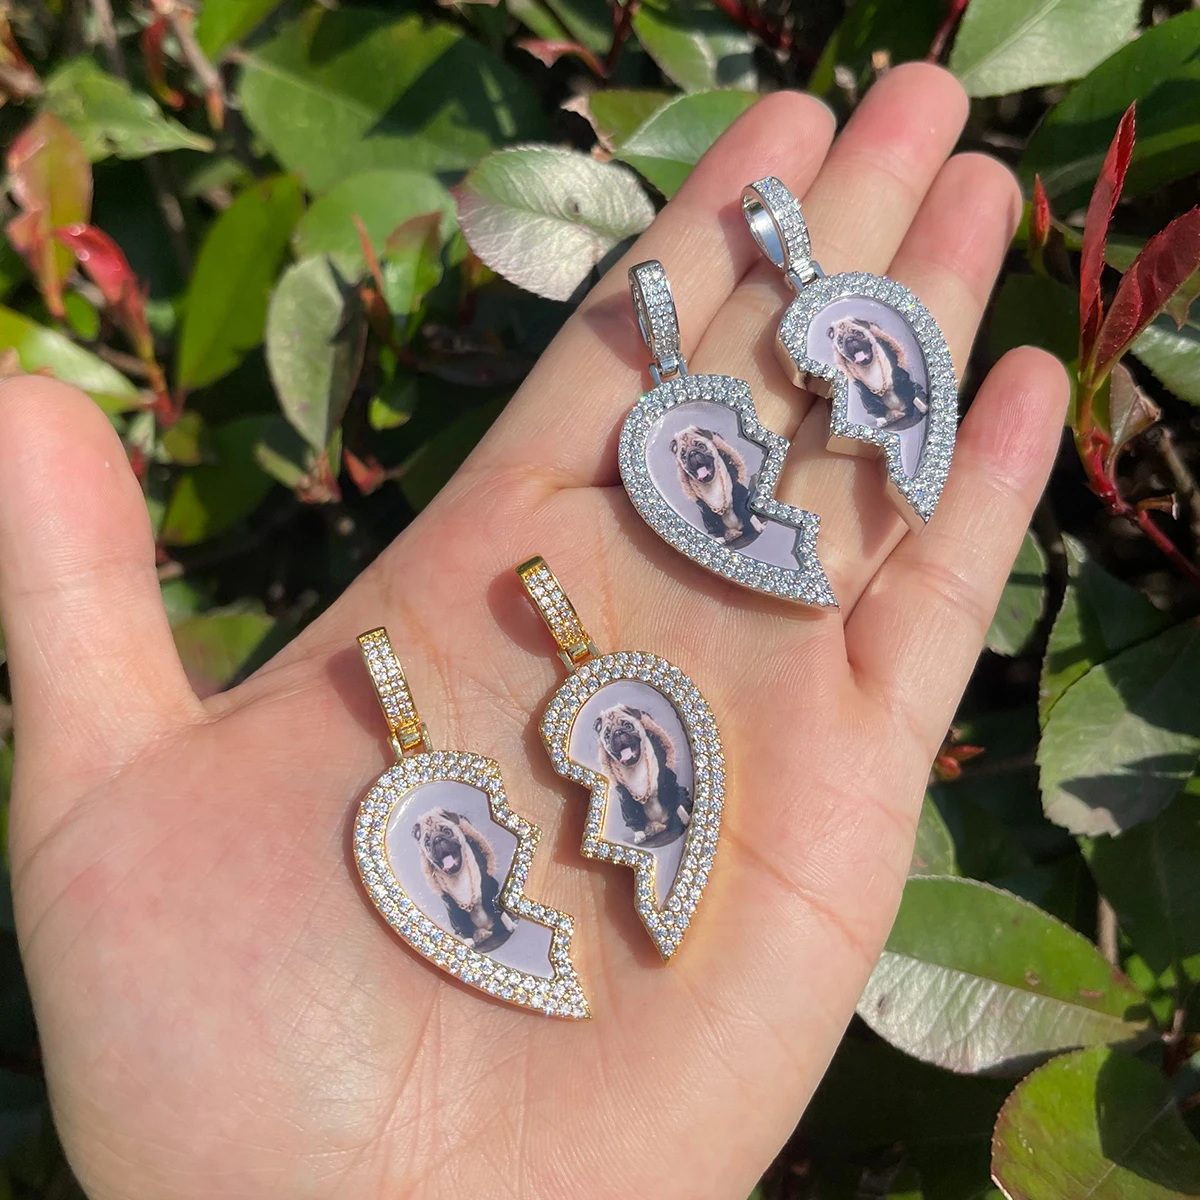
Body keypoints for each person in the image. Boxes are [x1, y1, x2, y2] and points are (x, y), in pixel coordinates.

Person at [0, 64, 1068, 1200]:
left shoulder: (778, 536)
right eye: (443, 849)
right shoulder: (535, 893)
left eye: (713, 455)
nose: (464, 857)